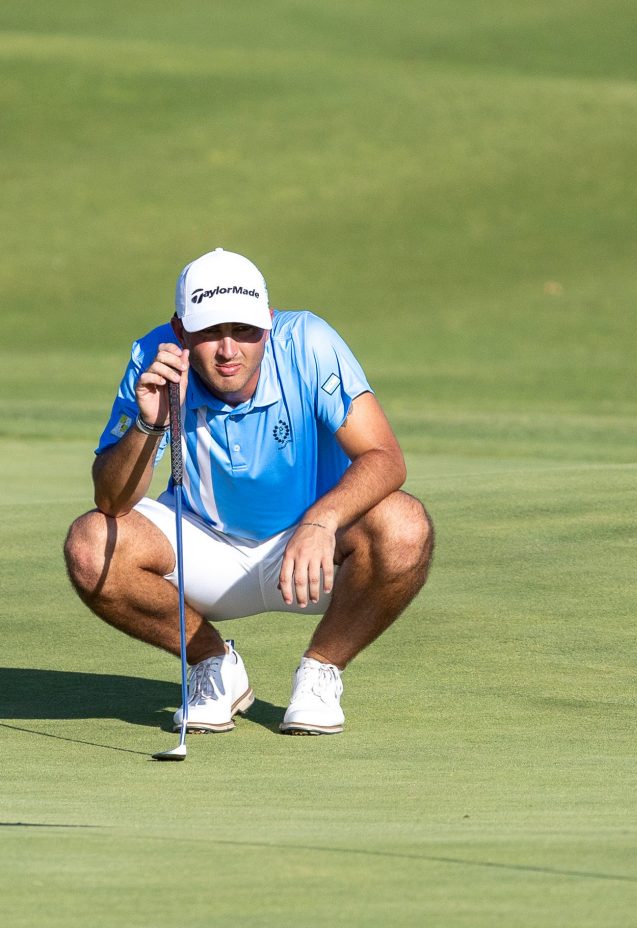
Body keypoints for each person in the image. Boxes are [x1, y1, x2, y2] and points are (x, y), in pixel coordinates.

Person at [64, 248, 434, 736]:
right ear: (180, 332)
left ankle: (321, 672)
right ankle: (213, 664)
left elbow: (385, 457)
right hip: (203, 545)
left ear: (269, 322)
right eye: (210, 332)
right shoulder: (154, 358)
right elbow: (112, 502)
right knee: (91, 547)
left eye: (244, 331)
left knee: (405, 527)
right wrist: (150, 425)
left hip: (314, 552)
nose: (228, 350)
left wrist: (321, 520)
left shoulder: (308, 342)